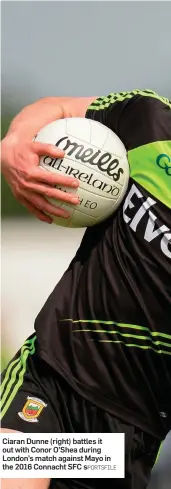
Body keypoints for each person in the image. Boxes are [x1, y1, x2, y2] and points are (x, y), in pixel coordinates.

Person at [1, 89, 171, 489]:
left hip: (126, 438)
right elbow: (55, 109)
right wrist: (13, 146)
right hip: (52, 380)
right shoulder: (148, 121)